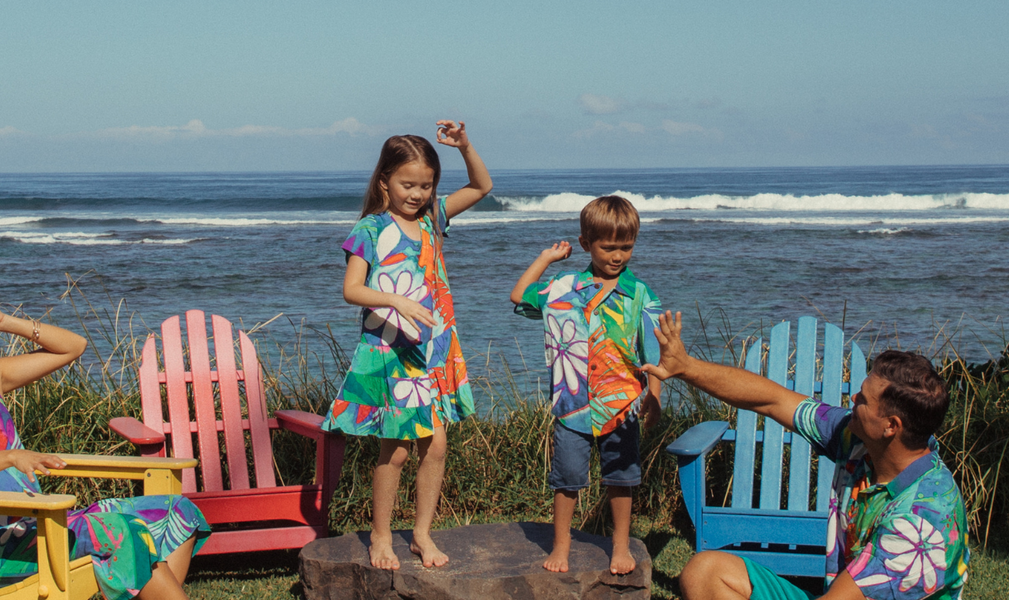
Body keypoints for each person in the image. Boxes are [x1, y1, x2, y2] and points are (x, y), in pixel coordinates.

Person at [0, 285, 211, 600]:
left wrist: (7, 322)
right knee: (122, 529)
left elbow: (73, 347)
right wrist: (9, 457)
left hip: (43, 525)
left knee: (179, 511)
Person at [642, 311, 969, 600]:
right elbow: (772, 400)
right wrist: (686, 367)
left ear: (891, 426)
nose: (853, 398)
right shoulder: (857, 439)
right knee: (705, 573)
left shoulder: (923, 521)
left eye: (864, 400)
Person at [320, 121, 493, 570]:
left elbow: (482, 186)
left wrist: (464, 146)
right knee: (395, 449)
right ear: (385, 181)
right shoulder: (371, 229)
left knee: (436, 446)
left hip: (433, 349)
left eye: (426, 185)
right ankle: (380, 537)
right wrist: (395, 299)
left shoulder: (434, 219)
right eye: (407, 184)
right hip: (392, 351)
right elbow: (352, 289)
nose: (417, 194)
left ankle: (421, 534)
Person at [509, 195, 664, 574]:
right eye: (608, 247)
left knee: (621, 478)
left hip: (621, 403)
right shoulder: (564, 287)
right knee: (567, 479)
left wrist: (655, 396)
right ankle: (561, 545)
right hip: (572, 404)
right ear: (585, 244)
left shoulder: (640, 294)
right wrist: (545, 259)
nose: (618, 256)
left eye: (626, 247)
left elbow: (654, 352)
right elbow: (518, 296)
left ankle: (621, 546)